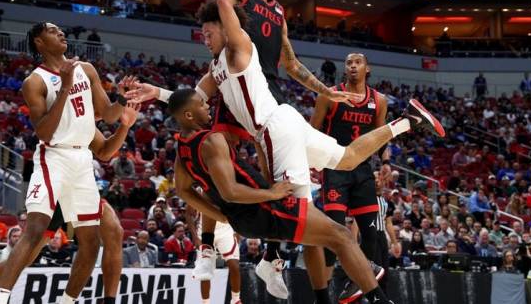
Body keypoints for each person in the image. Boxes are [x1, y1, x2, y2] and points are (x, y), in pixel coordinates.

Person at [128, 0, 444, 301]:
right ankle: (407, 122)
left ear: (224, 27)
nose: (204, 35)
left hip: (275, 129)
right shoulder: (214, 71)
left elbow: (227, 6)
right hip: (286, 120)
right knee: (344, 163)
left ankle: (279, 259)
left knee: (313, 223)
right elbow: (189, 103)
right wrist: (154, 91)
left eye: (209, 29)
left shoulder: (239, 46)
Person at [0, 21, 139, 304]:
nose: (61, 33)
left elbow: (109, 115)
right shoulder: (36, 81)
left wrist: (121, 99)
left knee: (102, 236)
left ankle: (78, 300)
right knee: (31, 244)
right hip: (55, 159)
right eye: (53, 31)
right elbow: (44, 132)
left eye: (60, 30)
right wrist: (65, 87)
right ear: (39, 42)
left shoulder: (86, 71)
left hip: (81, 161)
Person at [167, 89, 396, 304]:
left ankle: (278, 263)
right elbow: (230, 191)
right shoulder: (211, 140)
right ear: (188, 114)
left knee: (323, 238)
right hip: (265, 209)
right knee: (342, 236)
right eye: (201, 104)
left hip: (248, 216)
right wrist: (270, 193)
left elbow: (183, 190)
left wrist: (222, 215)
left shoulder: (182, 148)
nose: (207, 105)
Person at [309, 52, 389, 302]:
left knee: (372, 235)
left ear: (367, 69)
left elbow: (381, 136)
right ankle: (322, 296)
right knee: (333, 234)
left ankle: (354, 284)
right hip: (335, 169)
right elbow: (312, 131)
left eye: (358, 63)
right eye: (349, 63)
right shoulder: (329, 95)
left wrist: (385, 163)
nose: (353, 66)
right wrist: (313, 162)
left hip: (363, 170)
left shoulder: (379, 100)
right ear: (345, 69)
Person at [187, 204, 242, 304]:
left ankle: (235, 300)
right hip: (204, 230)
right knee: (205, 272)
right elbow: (188, 214)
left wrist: (237, 232)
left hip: (225, 230)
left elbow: (237, 211)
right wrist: (195, 237)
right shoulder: (200, 190)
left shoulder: (227, 189)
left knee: (234, 266)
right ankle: (205, 302)